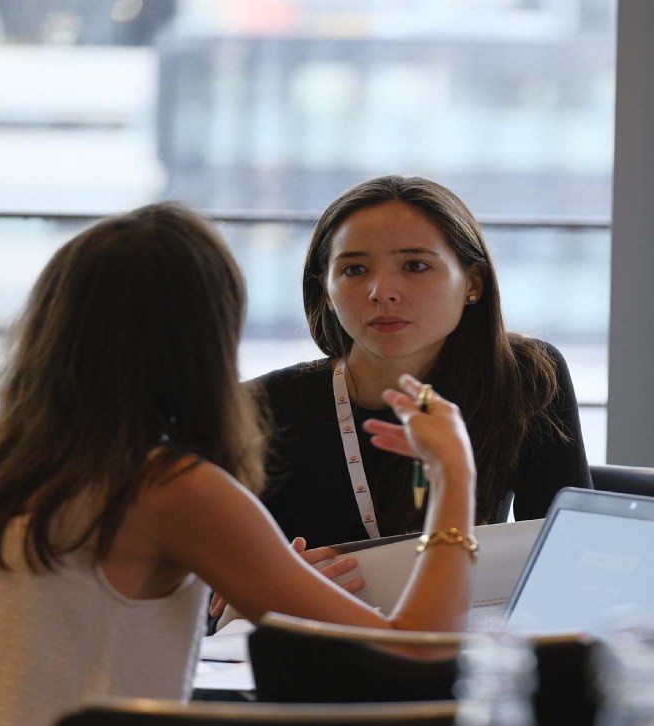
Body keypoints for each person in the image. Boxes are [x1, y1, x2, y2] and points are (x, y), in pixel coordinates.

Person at [0, 204, 479, 726]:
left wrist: (268, 577)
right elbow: (417, 655)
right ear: (205, 339)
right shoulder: (166, 486)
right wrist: (455, 475)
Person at [251, 175, 591, 552]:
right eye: (354, 270)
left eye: (414, 266)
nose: (382, 293)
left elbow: (567, 551)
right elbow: (219, 587)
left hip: (469, 611)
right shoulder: (260, 406)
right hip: (303, 613)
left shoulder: (526, 376)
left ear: (472, 283)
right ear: (326, 292)